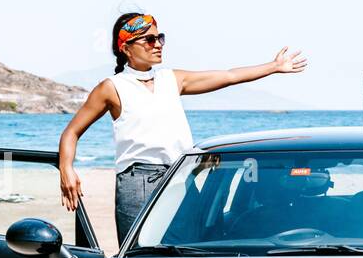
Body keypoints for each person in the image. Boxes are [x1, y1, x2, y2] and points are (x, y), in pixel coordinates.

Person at [59, 12, 307, 244]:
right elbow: (71, 132)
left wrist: (273, 67)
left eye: (160, 38)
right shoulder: (112, 87)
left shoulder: (172, 79)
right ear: (126, 48)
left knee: (191, 251)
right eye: (149, 39)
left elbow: (230, 76)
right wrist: (66, 169)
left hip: (181, 177)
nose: (158, 44)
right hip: (139, 183)